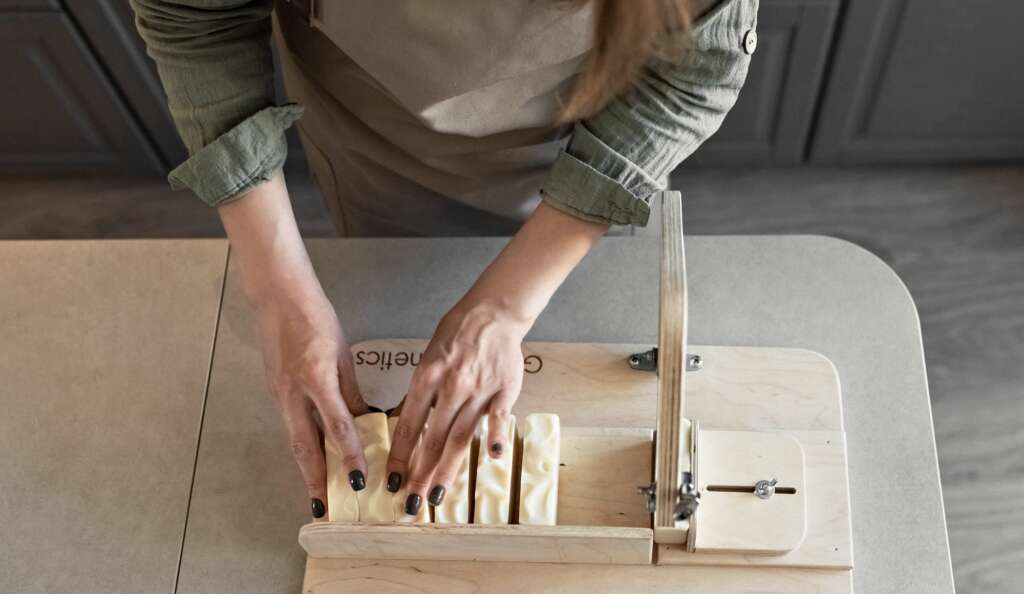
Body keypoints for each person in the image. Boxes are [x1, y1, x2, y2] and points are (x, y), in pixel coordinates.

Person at [131, 0, 758, 519]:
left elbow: (693, 69)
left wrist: (508, 306)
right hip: (370, 136)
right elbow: (194, 21)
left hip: (593, 145)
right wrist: (276, 290)